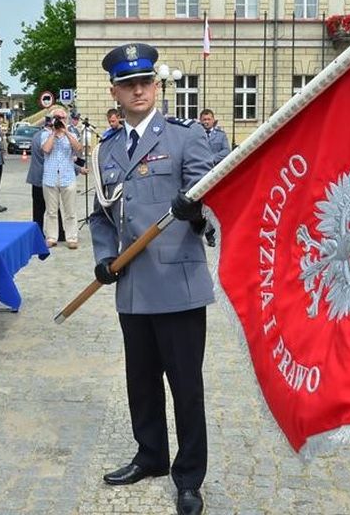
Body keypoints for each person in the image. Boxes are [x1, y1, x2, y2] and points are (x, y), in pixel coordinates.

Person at [90, 42, 214, 515]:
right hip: (133, 286)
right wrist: (105, 259)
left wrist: (197, 209)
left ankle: (189, 477)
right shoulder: (107, 148)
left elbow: (216, 202)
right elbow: (102, 214)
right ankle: (151, 455)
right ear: (115, 92)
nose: (138, 90)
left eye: (145, 82)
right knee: (140, 381)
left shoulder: (185, 138)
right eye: (128, 84)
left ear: (156, 86)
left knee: (186, 386)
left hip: (179, 287)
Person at [41, 106, 83, 248]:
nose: (60, 120)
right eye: (57, 118)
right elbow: (46, 149)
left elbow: (78, 149)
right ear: (53, 119)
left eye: (62, 118)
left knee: (70, 210)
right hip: (50, 177)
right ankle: (52, 237)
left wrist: (66, 132)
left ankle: (72, 238)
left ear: (67, 120)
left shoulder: (72, 134)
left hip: (67, 176)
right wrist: (54, 132)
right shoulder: (45, 134)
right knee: (51, 211)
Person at [199, 108, 230, 247]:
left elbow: (226, 151)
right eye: (204, 119)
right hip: (199, 174)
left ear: (213, 120)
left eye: (208, 119)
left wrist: (212, 158)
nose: (206, 122)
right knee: (201, 204)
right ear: (200, 121)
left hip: (215, 174)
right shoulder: (196, 135)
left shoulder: (220, 135)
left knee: (212, 204)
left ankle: (210, 233)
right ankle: (203, 229)